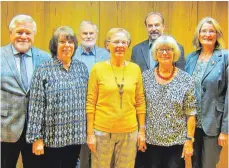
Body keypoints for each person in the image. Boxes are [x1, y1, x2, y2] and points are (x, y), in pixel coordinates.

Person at [26, 26, 89, 168]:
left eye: (70, 42)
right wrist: (36, 138)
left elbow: (87, 102)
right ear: (55, 45)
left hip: (75, 136)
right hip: (51, 139)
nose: (67, 45)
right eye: (62, 42)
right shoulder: (43, 70)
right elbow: (36, 107)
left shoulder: (82, 68)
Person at [86, 28, 146, 168]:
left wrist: (142, 131)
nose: (120, 45)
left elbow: (140, 101)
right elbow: (90, 102)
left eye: (124, 42)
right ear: (107, 45)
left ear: (128, 45)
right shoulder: (97, 69)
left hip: (129, 133)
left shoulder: (135, 69)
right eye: (116, 42)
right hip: (102, 132)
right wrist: (90, 134)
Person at [1, 14, 50, 168]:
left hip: (35, 133)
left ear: (33, 35)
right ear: (10, 34)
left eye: (28, 33)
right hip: (5, 130)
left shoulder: (45, 58)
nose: (23, 36)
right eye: (19, 32)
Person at [142, 35, 196, 168]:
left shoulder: (186, 79)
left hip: (176, 143)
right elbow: (141, 108)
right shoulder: (145, 77)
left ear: (175, 53)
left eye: (169, 49)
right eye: (160, 49)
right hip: (151, 142)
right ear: (155, 53)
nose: (165, 53)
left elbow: (191, 113)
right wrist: (141, 133)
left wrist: (189, 140)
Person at [185, 17, 228, 168]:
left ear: (217, 35)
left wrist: (225, 130)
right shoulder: (190, 58)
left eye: (212, 31)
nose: (207, 34)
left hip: (213, 123)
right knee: (194, 164)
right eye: (204, 31)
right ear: (198, 34)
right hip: (192, 123)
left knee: (208, 165)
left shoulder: (225, 57)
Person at [74, 20, 110, 168]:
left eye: (91, 33)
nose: (88, 36)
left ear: (96, 35)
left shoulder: (105, 54)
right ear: (79, 35)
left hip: (101, 109)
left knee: (98, 149)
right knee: (79, 151)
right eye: (85, 33)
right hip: (77, 108)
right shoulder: (72, 53)